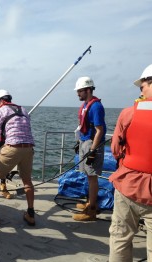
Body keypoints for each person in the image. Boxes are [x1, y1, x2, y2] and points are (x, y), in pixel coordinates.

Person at [109, 64, 152, 262]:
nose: (141, 91)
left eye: (142, 86)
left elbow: (115, 150)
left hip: (128, 185)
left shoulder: (129, 113)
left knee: (120, 238)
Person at [0, 89, 35, 227]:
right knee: (27, 180)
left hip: (12, 147)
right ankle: (30, 214)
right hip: (29, 148)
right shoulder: (23, 109)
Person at [72, 77, 106, 221]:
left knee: (92, 177)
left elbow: (99, 130)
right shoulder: (86, 105)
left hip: (92, 143)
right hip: (84, 141)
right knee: (87, 174)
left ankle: (92, 210)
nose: (77, 94)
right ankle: (91, 201)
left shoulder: (96, 107)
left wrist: (92, 150)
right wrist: (79, 142)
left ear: (88, 90)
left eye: (80, 91)